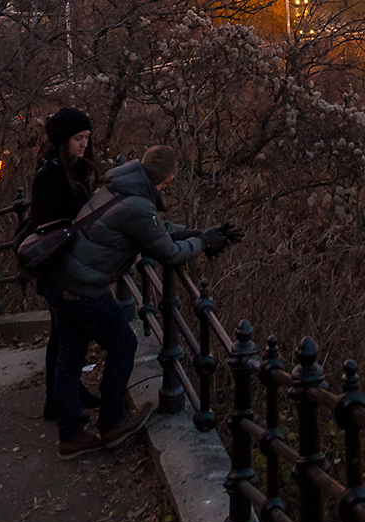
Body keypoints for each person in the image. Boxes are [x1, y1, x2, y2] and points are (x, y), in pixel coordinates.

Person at [45, 144, 243, 458]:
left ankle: (70, 435)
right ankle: (112, 424)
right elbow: (167, 251)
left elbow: (156, 231)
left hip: (61, 280)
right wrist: (203, 242)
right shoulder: (137, 206)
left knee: (69, 358)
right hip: (84, 289)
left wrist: (198, 233)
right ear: (167, 178)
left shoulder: (119, 186)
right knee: (124, 344)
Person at [29, 107, 100, 421]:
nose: (84, 143)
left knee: (65, 335)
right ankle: (58, 400)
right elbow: (44, 224)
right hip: (60, 267)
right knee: (64, 336)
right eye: (78, 138)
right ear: (63, 141)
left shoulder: (73, 170)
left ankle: (65, 394)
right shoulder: (52, 175)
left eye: (86, 137)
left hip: (69, 263)